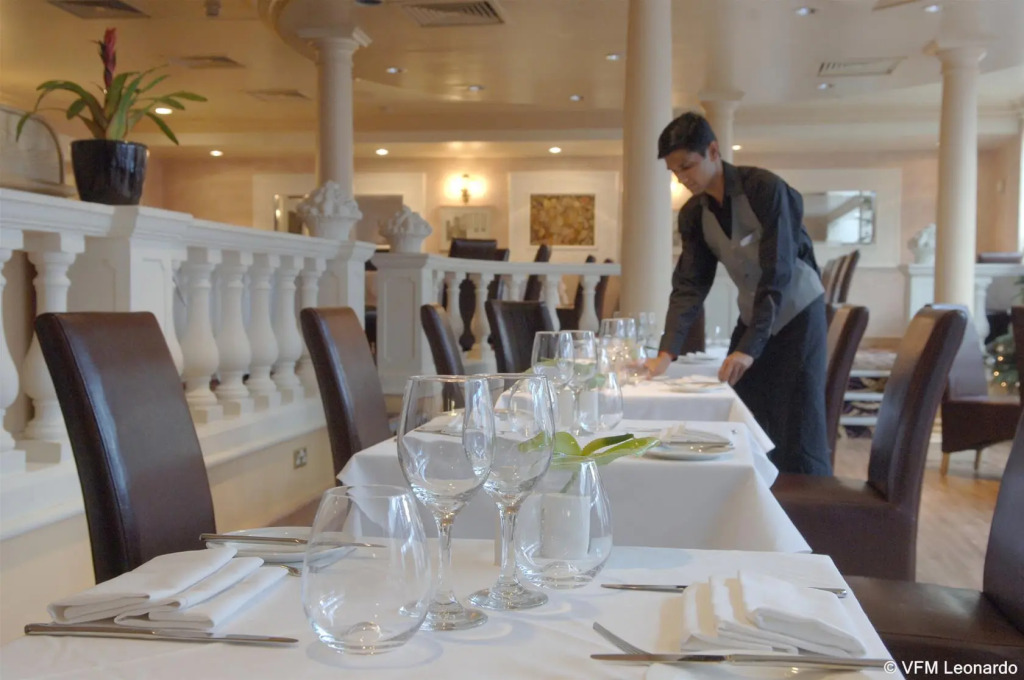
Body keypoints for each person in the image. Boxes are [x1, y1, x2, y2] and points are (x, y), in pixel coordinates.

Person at [644, 112, 831, 476]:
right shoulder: (693, 214)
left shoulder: (765, 189)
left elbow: (778, 271)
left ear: (713, 151)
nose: (682, 178)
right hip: (754, 315)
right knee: (744, 409)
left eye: (687, 166)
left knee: (798, 422)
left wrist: (749, 347)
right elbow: (689, 285)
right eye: (674, 171)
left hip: (798, 316)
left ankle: (806, 500)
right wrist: (665, 354)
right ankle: (752, 488)